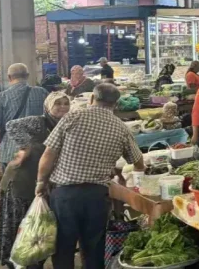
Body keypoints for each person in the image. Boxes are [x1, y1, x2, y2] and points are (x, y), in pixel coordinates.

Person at [36, 84, 145, 269]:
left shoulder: (73, 116)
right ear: (116, 104)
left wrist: (40, 182)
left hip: (65, 196)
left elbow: (49, 154)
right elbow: (138, 162)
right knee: (94, 248)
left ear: (92, 99)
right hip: (97, 196)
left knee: (63, 246)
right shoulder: (121, 128)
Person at [0, 92, 70, 269]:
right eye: (57, 103)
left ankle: (33, 261)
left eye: (65, 103)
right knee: (23, 225)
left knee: (38, 225)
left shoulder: (66, 124)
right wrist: (27, 147)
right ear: (47, 107)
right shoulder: (39, 122)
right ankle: (18, 262)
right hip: (21, 181)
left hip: (39, 181)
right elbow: (11, 125)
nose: (62, 106)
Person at [0, 64, 49, 171]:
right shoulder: (42, 92)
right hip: (37, 149)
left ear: (9, 77)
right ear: (27, 75)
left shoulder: (3, 97)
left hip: (11, 150)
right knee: (35, 182)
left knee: (11, 184)